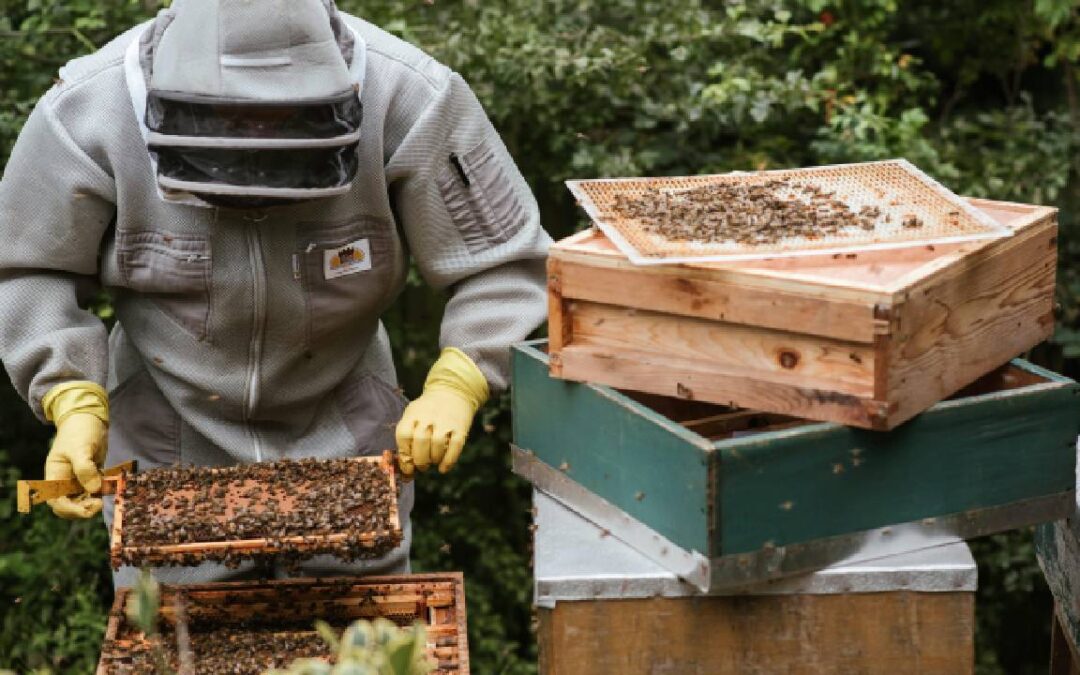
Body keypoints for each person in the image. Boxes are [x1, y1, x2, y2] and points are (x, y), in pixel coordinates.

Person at [0, 0, 550, 582]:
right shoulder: (90, 108)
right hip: (167, 448)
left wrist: (462, 376)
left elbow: (505, 262)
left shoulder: (410, 97)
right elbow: (28, 269)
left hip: (348, 435)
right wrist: (70, 394)